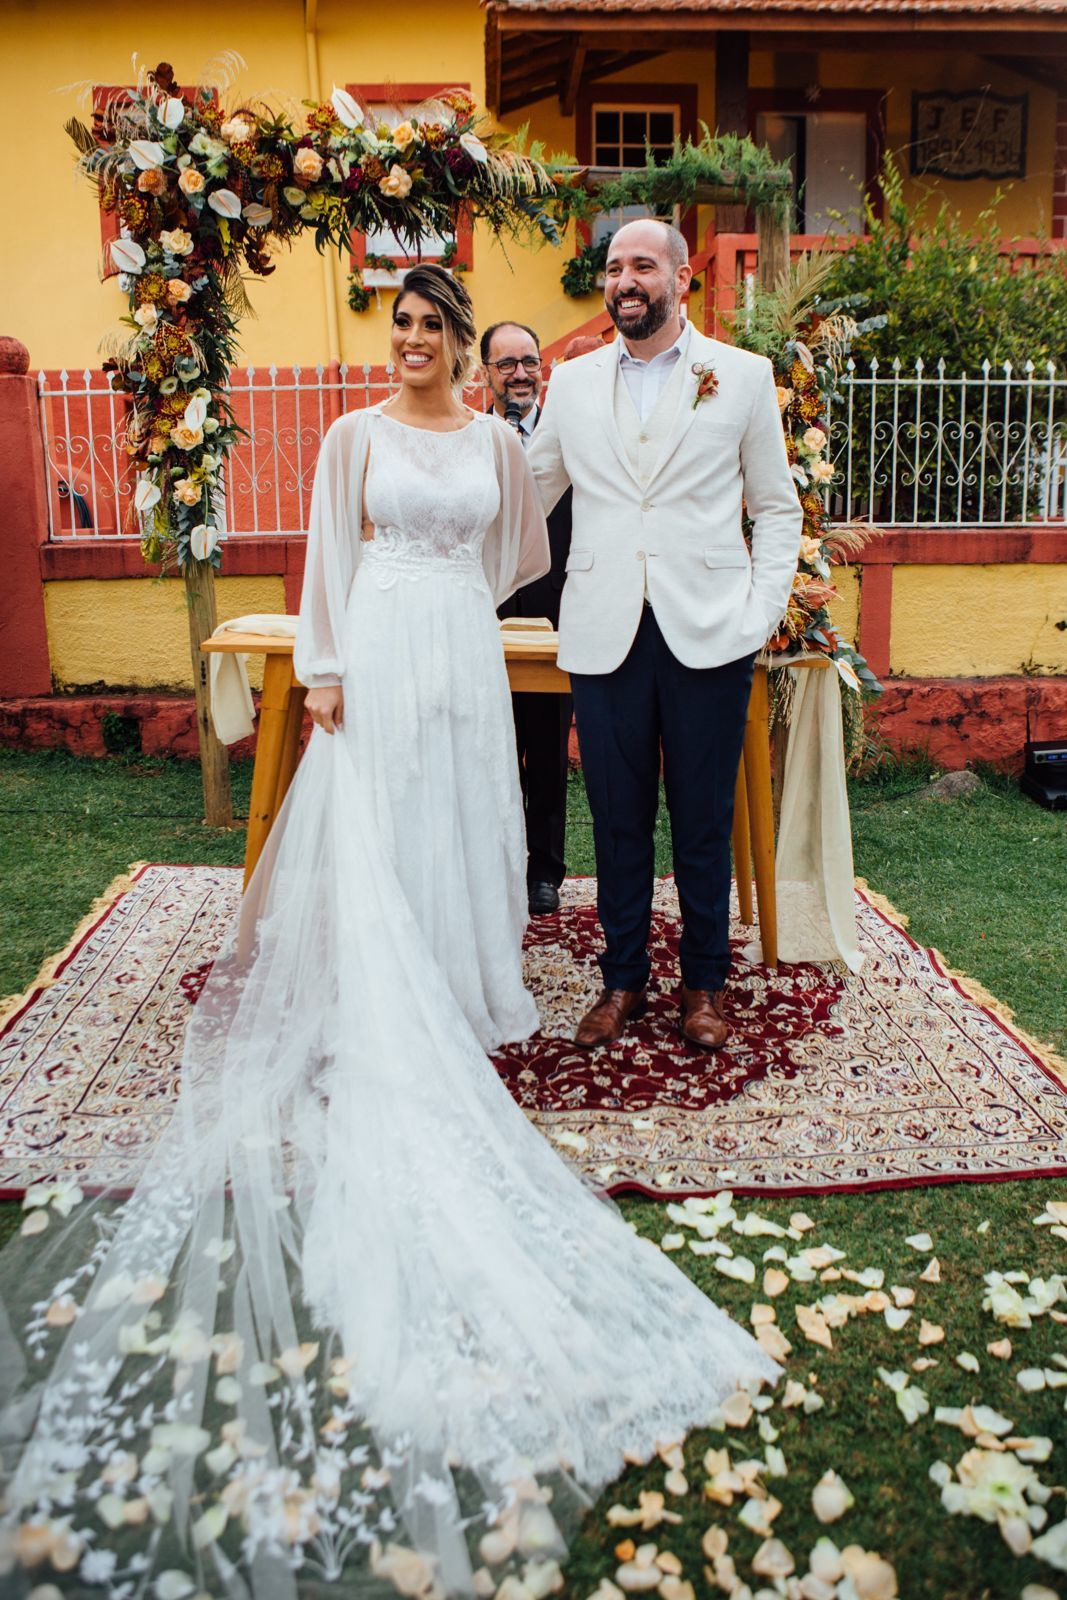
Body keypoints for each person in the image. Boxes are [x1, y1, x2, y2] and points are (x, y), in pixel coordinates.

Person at [0, 265, 777, 1600]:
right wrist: (332, 668)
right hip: (380, 644)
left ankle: (474, 981)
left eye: (433, 328)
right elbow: (327, 559)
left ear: (462, 347)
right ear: (392, 341)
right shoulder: (353, 436)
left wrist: (457, 613)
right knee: (385, 821)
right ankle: (387, 986)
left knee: (473, 818)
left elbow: (517, 554)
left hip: (463, 650)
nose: (414, 343)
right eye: (402, 327)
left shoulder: (492, 439)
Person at [528, 219, 802, 1054]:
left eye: (642, 265)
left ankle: (704, 985)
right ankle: (620, 982)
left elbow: (776, 509)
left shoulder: (743, 377)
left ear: (682, 279)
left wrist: (756, 614)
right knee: (615, 816)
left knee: (701, 819)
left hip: (709, 631)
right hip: (603, 627)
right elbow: (527, 496)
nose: (624, 280)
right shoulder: (569, 385)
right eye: (613, 268)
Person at [481, 319, 573, 916]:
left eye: (530, 361)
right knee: (488, 744)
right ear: (485, 373)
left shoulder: (569, 432)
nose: (520, 373)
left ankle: (545, 871)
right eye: (506, 363)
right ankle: (494, 865)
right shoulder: (469, 436)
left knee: (545, 743)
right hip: (486, 609)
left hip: (556, 605)